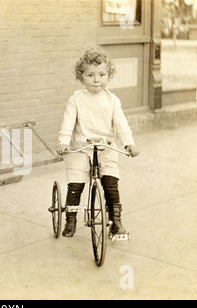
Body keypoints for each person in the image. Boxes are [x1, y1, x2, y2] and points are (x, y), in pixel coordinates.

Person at [55, 48, 139, 238]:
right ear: (81, 76)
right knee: (76, 183)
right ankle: (71, 218)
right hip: (80, 147)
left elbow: (121, 124)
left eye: (102, 74)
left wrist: (129, 143)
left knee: (110, 182)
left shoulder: (112, 100)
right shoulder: (76, 99)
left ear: (109, 75)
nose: (96, 79)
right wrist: (63, 142)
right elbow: (67, 123)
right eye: (90, 75)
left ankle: (116, 222)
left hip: (106, 146)